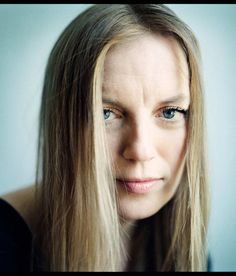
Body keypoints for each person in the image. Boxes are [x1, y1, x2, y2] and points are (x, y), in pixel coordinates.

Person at [0, 4, 210, 271]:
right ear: (63, 124)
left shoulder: (185, 248)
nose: (140, 150)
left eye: (169, 112)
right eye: (106, 114)